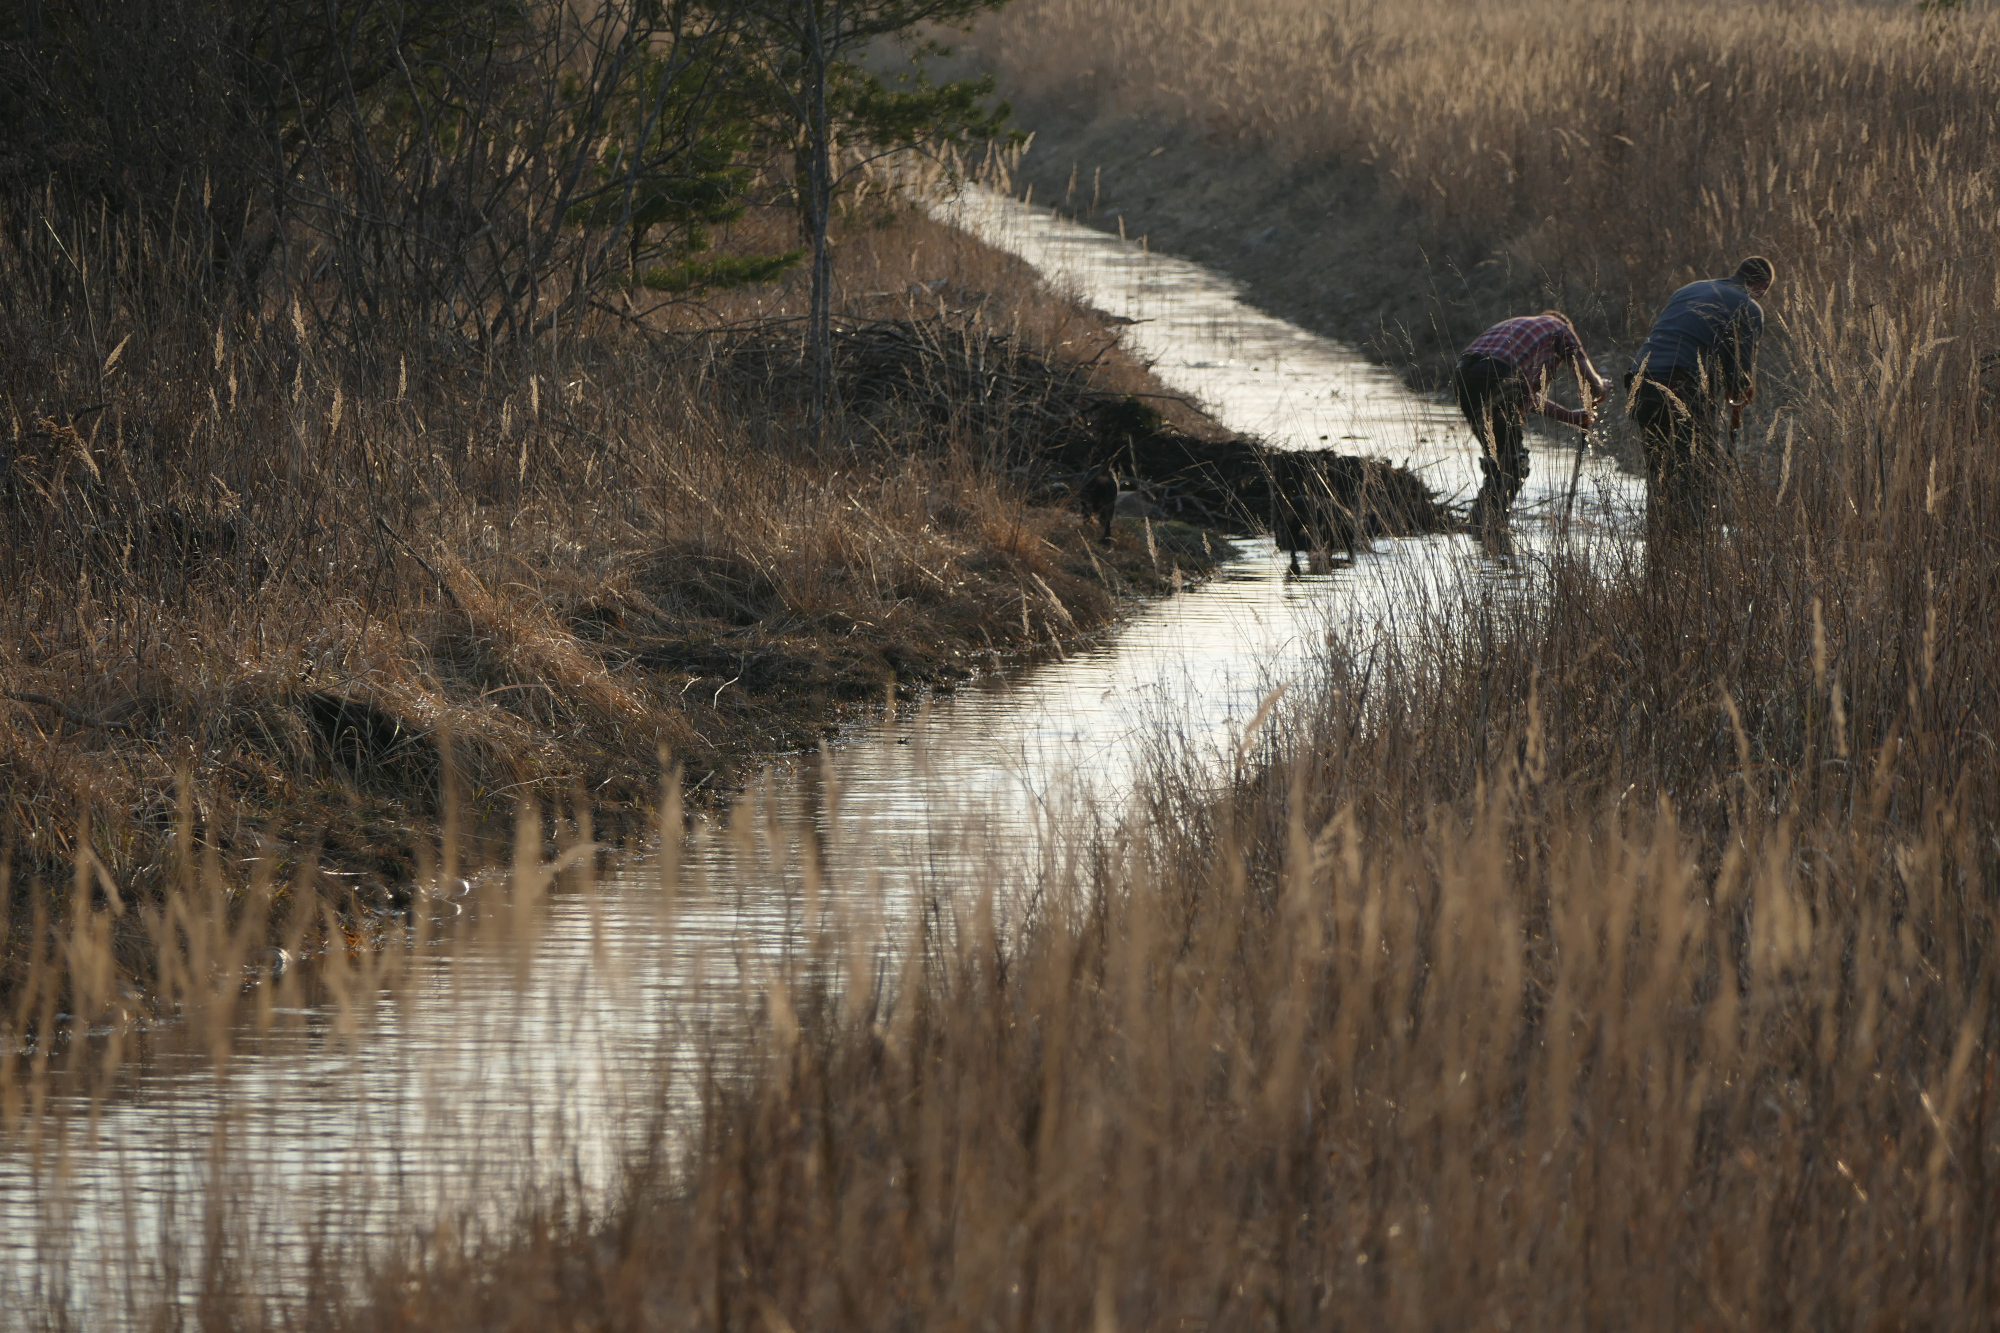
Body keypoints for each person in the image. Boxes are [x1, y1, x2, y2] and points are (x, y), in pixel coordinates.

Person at [1625, 256, 1774, 539]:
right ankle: (1692, 543)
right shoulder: (1749, 307)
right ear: (1762, 285)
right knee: (1696, 468)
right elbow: (1740, 373)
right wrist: (1740, 389)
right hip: (1681, 383)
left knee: (1659, 468)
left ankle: (1659, 539)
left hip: (1639, 379)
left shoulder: (1690, 289)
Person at [1453, 311, 1609, 531]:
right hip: (1497, 376)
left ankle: (1483, 523)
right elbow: (1589, 380)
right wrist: (1602, 386)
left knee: (1500, 458)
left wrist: (1572, 417)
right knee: (1513, 463)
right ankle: (1488, 527)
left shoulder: (1522, 330)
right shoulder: (1561, 328)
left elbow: (1525, 396)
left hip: (1464, 375)